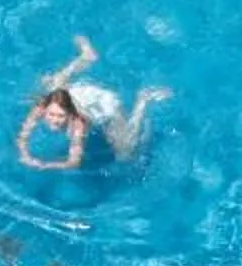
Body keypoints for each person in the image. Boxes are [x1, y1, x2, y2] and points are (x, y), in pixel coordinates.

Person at [15, 35, 168, 171]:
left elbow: (74, 162)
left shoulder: (79, 125)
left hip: (106, 105)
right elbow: (23, 134)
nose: (54, 120)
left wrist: (44, 165)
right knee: (52, 88)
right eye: (51, 114)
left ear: (69, 114)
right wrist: (25, 154)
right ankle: (86, 57)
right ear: (45, 109)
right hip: (78, 93)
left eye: (60, 116)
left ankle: (143, 100)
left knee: (126, 152)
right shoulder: (41, 106)